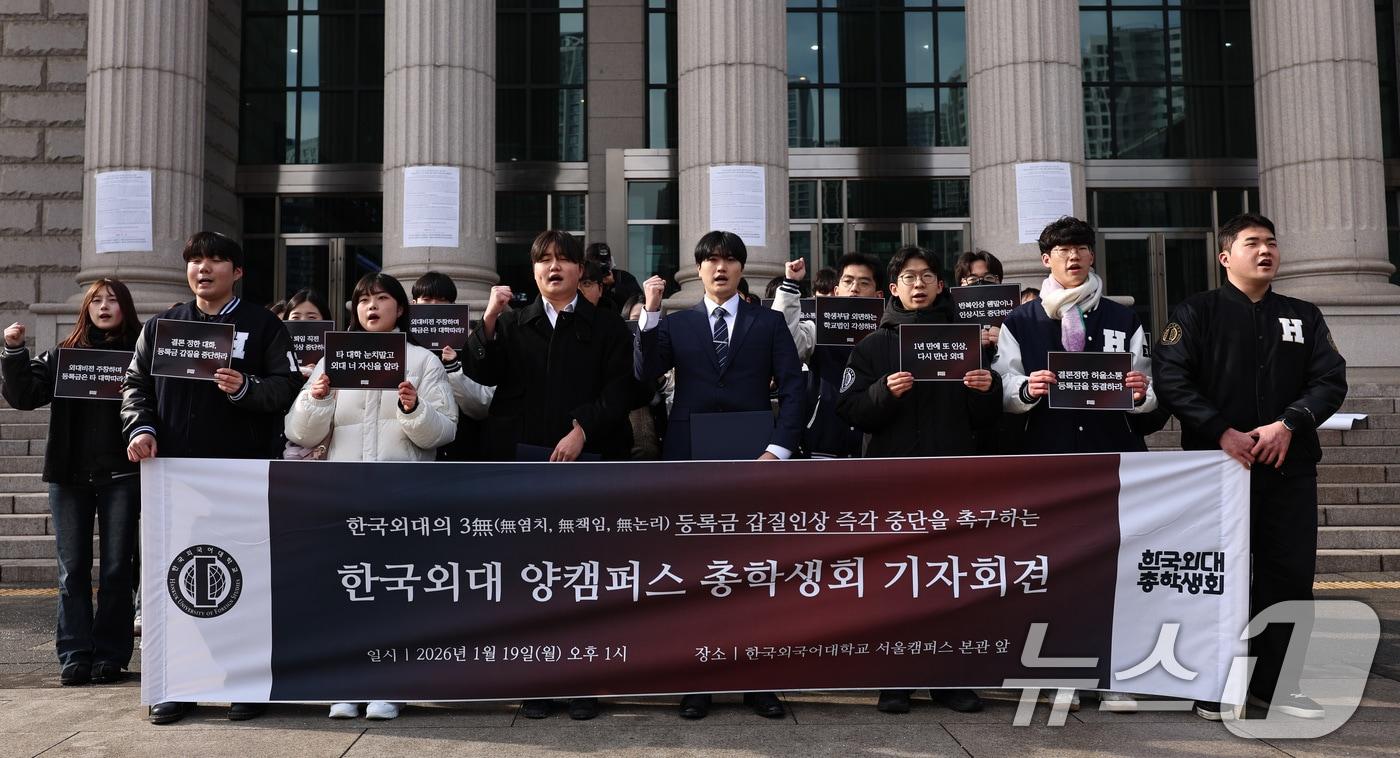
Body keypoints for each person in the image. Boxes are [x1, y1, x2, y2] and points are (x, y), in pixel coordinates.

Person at [1152, 213, 1346, 722]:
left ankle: (1274, 685)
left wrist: (1288, 424)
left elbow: (1329, 380)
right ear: (1225, 256)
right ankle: (1212, 683)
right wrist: (1221, 430)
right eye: (1253, 243)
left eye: (1272, 243)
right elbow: (1172, 380)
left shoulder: (1303, 315)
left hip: (1288, 466)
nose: (1266, 251)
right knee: (1219, 578)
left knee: (1288, 576)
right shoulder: (1194, 314)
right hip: (1216, 469)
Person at [122, 231, 298, 724]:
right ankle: (175, 685)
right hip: (174, 476)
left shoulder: (262, 325)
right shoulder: (162, 326)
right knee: (173, 582)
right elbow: (135, 387)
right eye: (195, 260)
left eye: (216, 260)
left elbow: (287, 388)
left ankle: (246, 685)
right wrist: (142, 429)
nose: (204, 268)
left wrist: (247, 388)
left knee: (243, 581)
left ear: (237, 271)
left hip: (241, 476)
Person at [465, 232, 636, 720]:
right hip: (525, 465)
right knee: (533, 576)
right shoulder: (516, 322)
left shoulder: (606, 327)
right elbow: (484, 371)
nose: (554, 267)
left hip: (590, 463)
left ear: (581, 271)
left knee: (584, 574)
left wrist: (583, 427)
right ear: (533, 270)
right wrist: (491, 321)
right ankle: (537, 679)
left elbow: (620, 389)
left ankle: (584, 680)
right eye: (544, 260)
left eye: (564, 260)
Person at [991, 216, 1158, 713]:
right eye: (1062, 250)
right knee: (1056, 568)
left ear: (1091, 256)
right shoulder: (1019, 323)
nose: (1073, 257)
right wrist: (1026, 390)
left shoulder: (1123, 318)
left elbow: (1147, 390)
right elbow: (1004, 385)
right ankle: (1063, 670)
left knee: (1114, 568)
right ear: (1046, 260)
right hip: (1048, 461)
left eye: (1082, 248)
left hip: (1112, 459)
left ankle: (1114, 674)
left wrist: (1141, 395)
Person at [639, 230, 803, 720]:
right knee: (696, 573)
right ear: (699, 269)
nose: (720, 267)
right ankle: (698, 681)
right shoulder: (677, 323)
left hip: (755, 459)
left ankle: (757, 683)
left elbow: (795, 387)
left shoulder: (768, 322)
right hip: (691, 459)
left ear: (740, 269)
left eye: (729, 260)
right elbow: (646, 372)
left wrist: (778, 450)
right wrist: (649, 311)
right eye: (711, 260)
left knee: (753, 573)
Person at [832, 247, 998, 716]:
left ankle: (951, 679)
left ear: (942, 286)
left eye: (927, 276)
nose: (919, 284)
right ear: (893, 289)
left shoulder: (967, 341)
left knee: (951, 579)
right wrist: (883, 393)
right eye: (909, 277)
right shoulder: (872, 346)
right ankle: (895, 680)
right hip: (892, 480)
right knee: (896, 581)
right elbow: (849, 409)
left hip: (953, 479)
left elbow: (986, 421)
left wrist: (988, 391)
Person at [285, 272, 458, 721]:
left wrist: (412, 409)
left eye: (381, 299)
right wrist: (317, 399)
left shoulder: (421, 362)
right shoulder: (332, 360)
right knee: (348, 591)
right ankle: (347, 683)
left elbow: (445, 430)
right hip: (343, 494)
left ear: (400, 308)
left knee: (394, 592)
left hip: (401, 493)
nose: (371, 306)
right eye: (363, 300)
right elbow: (298, 432)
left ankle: (391, 686)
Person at [1, 279, 141, 688]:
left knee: (117, 569)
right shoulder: (63, 355)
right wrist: (13, 352)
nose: (104, 306)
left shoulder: (138, 355)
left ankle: (111, 656)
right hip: (70, 476)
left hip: (122, 475)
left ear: (125, 309)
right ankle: (75, 655)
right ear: (85, 309)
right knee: (72, 570)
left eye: (112, 300)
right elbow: (25, 395)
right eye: (96, 300)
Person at [773, 253, 883, 459]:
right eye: (848, 281)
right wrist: (790, 286)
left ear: (878, 295)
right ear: (836, 291)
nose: (854, 288)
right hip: (822, 449)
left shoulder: (888, 336)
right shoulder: (818, 330)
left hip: (872, 452)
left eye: (864, 282)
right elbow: (785, 345)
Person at [410, 271, 493, 461]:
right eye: (427, 299)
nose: (434, 306)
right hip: (417, 450)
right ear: (413, 304)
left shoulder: (470, 345)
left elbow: (482, 404)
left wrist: (454, 368)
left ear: (453, 307)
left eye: (441, 300)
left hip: (463, 448)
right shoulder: (404, 347)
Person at [586, 241, 642, 315]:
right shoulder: (583, 279)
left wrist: (614, 286)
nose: (602, 265)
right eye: (597, 262)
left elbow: (637, 301)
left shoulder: (623, 277)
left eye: (605, 260)